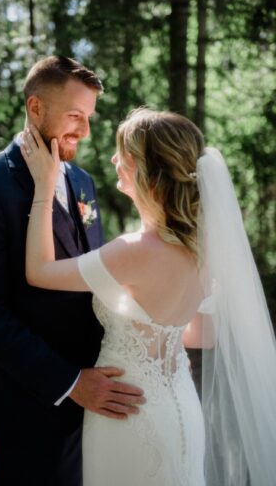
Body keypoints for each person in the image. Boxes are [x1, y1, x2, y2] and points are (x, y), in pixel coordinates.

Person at [21, 107, 276, 485]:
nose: (113, 160)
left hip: (128, 414)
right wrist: (164, 347)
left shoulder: (133, 251)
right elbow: (200, 333)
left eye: (122, 154)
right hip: (179, 405)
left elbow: (38, 273)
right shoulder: (203, 251)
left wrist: (45, 186)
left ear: (146, 171)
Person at [0, 56, 144, 485]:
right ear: (36, 108)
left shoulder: (83, 181)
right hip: (32, 403)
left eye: (90, 117)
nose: (86, 130)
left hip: (98, 396)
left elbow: (94, 279)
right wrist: (71, 382)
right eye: (75, 116)